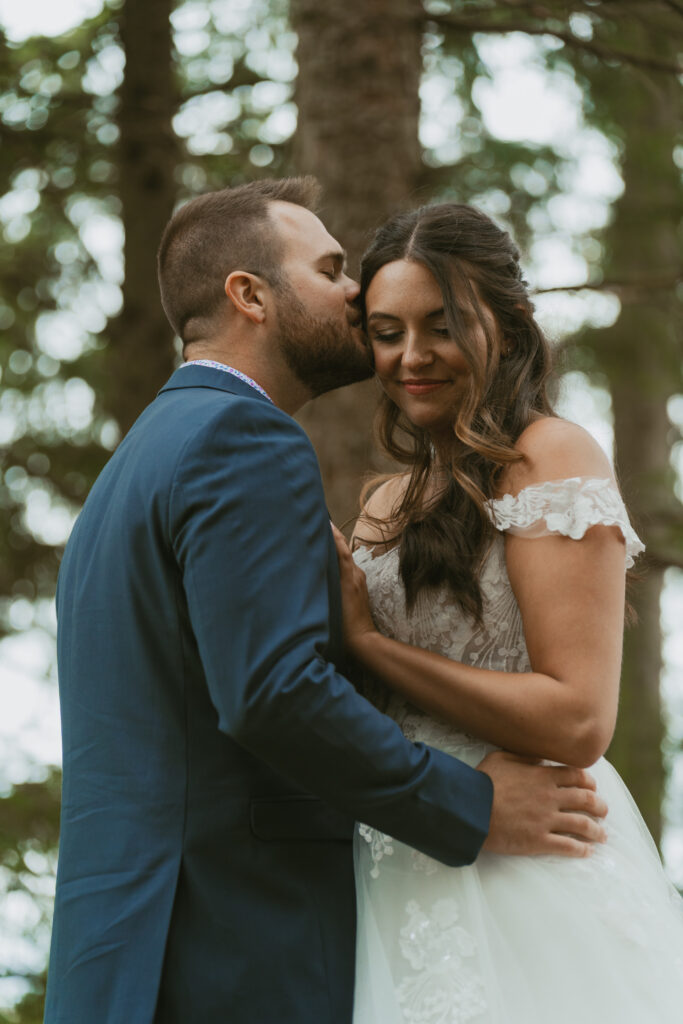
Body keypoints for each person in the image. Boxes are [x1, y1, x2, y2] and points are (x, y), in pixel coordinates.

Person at [44, 179, 608, 1024]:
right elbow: (273, 694)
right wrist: (473, 805)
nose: (354, 294)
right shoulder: (243, 438)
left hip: (130, 945)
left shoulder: (135, 466)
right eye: (331, 269)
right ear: (249, 294)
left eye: (437, 323)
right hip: (230, 942)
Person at [331, 201, 683, 1023]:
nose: (412, 356)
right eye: (386, 332)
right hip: (401, 865)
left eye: (440, 325)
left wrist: (370, 647)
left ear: (508, 323)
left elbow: (575, 720)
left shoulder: (551, 456)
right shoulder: (384, 502)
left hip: (534, 868)